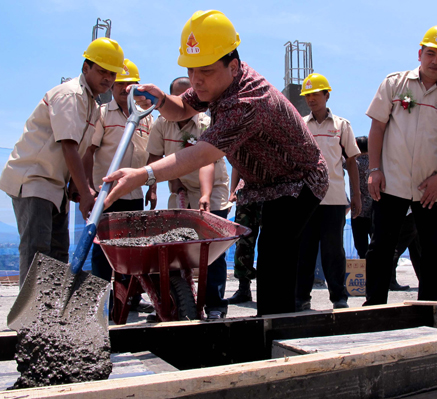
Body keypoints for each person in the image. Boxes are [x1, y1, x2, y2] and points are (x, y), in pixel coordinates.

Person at [102, 10, 328, 317]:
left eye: (205, 72)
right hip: (266, 182)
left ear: (233, 66)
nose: (197, 79)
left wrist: (144, 175)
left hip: (300, 180)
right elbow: (183, 107)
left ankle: (277, 332)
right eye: (191, 71)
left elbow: (201, 154)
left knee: (275, 255)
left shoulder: (247, 101)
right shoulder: (218, 80)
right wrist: (161, 99)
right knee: (273, 256)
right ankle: (273, 324)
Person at [0, 38, 125, 288]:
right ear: (85, 68)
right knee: (37, 253)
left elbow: (82, 151)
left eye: (112, 73)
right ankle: (32, 320)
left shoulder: (90, 102)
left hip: (55, 187)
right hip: (34, 180)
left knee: (57, 254)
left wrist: (80, 187)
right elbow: (68, 146)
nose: (107, 78)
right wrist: (87, 195)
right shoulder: (70, 95)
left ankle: (50, 313)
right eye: (101, 71)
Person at [363, 24, 437, 306]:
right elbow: (377, 128)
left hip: (430, 188)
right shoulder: (395, 84)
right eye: (430, 53)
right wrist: (374, 170)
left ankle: (429, 309)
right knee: (381, 247)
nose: (436, 61)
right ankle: (374, 307)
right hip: (391, 182)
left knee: (434, 250)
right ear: (419, 53)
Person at [145, 76, 232, 319]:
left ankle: (215, 305)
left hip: (212, 188)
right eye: (179, 98)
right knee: (173, 248)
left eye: (189, 97)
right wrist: (154, 187)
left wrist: (205, 194)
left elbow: (207, 161)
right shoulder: (161, 124)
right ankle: (171, 304)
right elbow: (153, 158)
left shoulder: (207, 123)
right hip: (180, 190)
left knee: (212, 250)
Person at [82, 58, 154, 313]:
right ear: (112, 87)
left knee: (130, 251)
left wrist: (152, 188)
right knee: (102, 252)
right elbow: (89, 152)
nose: (124, 91)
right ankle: (100, 303)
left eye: (130, 86)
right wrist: (89, 188)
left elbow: (154, 156)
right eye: (119, 85)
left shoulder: (147, 119)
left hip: (134, 195)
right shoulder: (102, 115)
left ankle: (128, 299)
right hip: (107, 196)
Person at [296, 73, 361, 310]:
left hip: (334, 199)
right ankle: (301, 297)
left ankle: (339, 297)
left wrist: (355, 196)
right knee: (305, 250)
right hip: (306, 199)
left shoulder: (342, 126)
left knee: (334, 251)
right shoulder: (301, 125)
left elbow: (352, 161)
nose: (311, 99)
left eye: (315, 94)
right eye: (307, 95)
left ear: (327, 95)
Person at [227, 168, 261, 304]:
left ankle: (271, 289)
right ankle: (243, 288)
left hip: (272, 192)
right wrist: (232, 191)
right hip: (246, 193)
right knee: (243, 241)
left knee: (271, 242)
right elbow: (237, 164)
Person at [349, 136, 373, 260]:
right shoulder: (375, 164)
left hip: (357, 211)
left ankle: (364, 272)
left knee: (361, 246)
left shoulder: (354, 164)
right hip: (374, 209)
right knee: (377, 244)